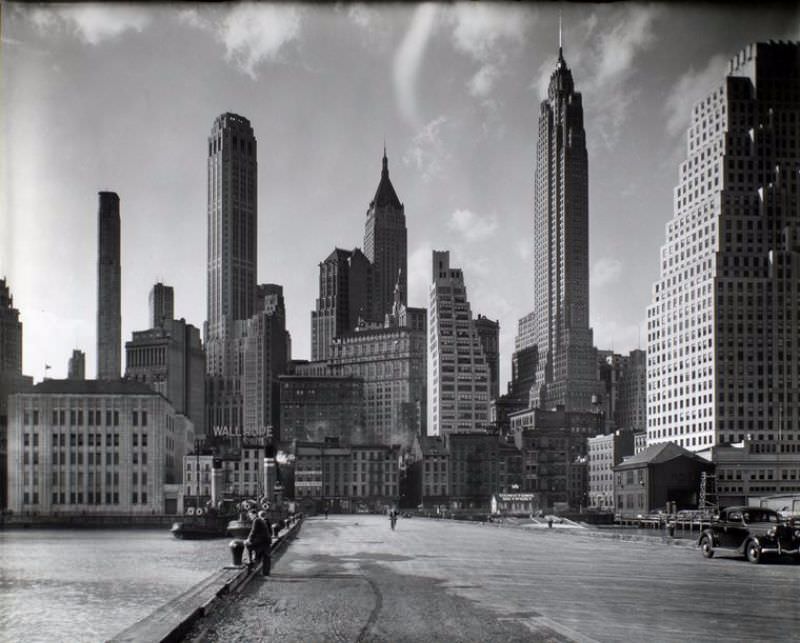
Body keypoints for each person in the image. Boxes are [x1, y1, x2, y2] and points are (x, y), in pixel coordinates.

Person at [245, 509, 272, 576]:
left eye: (250, 515)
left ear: (254, 514)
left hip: (262, 541)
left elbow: (253, 531)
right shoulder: (260, 520)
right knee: (266, 556)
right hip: (266, 540)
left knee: (248, 545)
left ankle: (250, 561)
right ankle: (265, 572)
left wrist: (248, 540)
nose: (250, 517)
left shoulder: (256, 520)